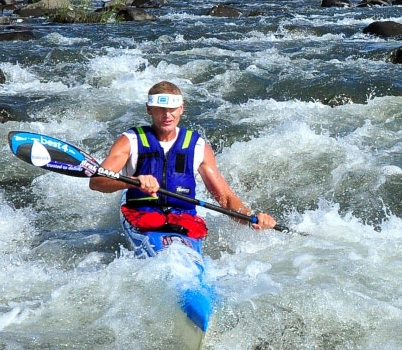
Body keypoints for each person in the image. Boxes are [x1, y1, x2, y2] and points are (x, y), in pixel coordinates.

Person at [88, 80, 278, 236]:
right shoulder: (130, 141)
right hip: (141, 214)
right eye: (160, 108)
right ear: (149, 109)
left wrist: (252, 217)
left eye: (172, 108)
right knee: (150, 221)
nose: (167, 115)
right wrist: (133, 182)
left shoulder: (198, 146)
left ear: (181, 108)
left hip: (184, 218)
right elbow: (97, 182)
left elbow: (226, 199)